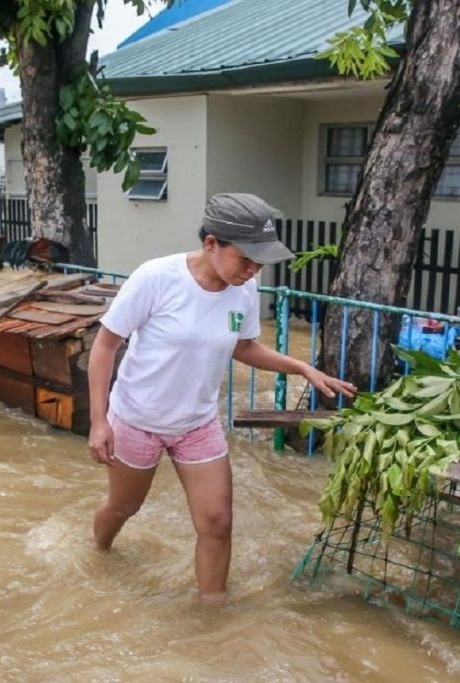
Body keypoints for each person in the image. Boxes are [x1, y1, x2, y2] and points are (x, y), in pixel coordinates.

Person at [87, 192, 356, 604]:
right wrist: (99, 421)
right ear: (211, 243)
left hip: (197, 423)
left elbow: (244, 347)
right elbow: (105, 346)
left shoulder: (243, 289)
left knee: (217, 522)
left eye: (259, 263)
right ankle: (98, 551)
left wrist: (302, 367)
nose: (252, 270)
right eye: (245, 259)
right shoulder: (155, 278)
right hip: (138, 418)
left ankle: (212, 613)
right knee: (124, 508)